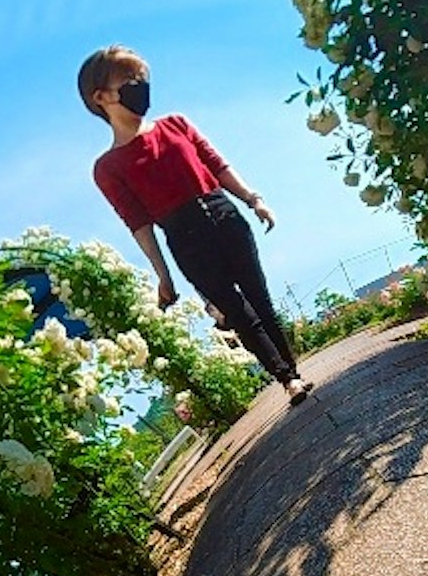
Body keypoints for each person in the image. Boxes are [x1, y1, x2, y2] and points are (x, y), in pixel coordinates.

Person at [78, 49, 309, 396]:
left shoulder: (176, 124)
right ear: (100, 97)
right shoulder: (107, 167)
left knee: (260, 298)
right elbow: (139, 223)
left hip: (225, 215)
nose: (138, 87)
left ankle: (293, 373)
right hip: (185, 238)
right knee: (236, 310)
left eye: (141, 79)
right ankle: (286, 380)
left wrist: (253, 200)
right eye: (127, 81)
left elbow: (217, 165)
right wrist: (163, 274)